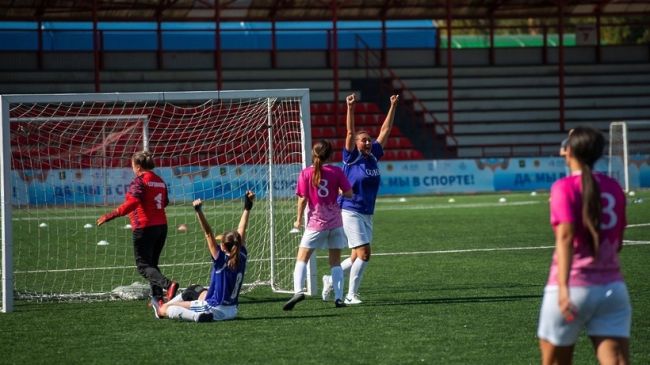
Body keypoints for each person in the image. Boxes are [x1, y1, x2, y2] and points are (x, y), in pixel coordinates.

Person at [537, 127, 631, 365]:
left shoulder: (564, 187)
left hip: (574, 286)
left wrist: (563, 288)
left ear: (568, 152)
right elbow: (618, 241)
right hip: (612, 288)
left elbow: (566, 238)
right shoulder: (613, 187)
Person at [322, 93, 399, 305]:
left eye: (368, 139)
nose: (367, 141)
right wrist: (351, 108)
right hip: (349, 209)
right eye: (363, 139)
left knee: (356, 255)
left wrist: (392, 105)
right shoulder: (351, 157)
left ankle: (330, 279)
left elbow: (386, 130)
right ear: (355, 143)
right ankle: (350, 295)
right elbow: (349, 131)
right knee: (365, 254)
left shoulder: (373, 154)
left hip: (366, 212)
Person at [152, 191, 255, 322]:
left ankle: (194, 315)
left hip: (215, 309)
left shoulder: (221, 259)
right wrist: (247, 207)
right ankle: (168, 302)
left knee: (165, 309)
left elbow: (208, 233)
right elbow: (242, 229)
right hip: (232, 309)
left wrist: (198, 211)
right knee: (194, 290)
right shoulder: (242, 254)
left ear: (223, 246)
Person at [97, 151, 178, 306]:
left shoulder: (140, 181)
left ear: (138, 166)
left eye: (132, 165)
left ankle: (169, 285)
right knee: (152, 263)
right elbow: (165, 202)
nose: (132, 168)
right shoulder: (160, 180)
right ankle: (157, 298)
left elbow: (133, 202)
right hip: (161, 226)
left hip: (145, 227)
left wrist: (112, 214)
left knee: (143, 266)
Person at [283, 140, 353, 310]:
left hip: (316, 224)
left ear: (314, 154)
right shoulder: (337, 171)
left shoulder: (306, 173)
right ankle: (338, 298)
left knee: (302, 258)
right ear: (330, 155)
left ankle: (298, 291)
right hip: (335, 223)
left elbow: (302, 200)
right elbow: (349, 194)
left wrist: (298, 220)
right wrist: (338, 191)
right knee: (335, 262)